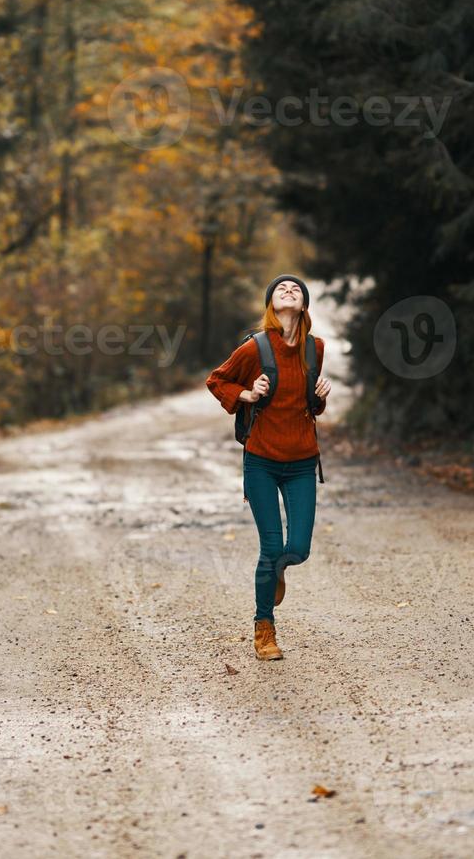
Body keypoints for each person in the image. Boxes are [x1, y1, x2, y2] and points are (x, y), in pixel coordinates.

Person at [205, 274, 332, 660]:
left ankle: (278, 571)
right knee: (272, 545)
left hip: (301, 461)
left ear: (304, 304)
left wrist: (322, 398)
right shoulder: (255, 348)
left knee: (299, 549)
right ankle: (264, 629)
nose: (290, 290)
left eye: (296, 289)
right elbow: (217, 380)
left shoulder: (316, 348)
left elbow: (309, 406)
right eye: (282, 289)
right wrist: (247, 392)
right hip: (260, 460)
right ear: (271, 305)